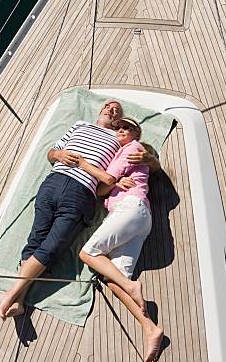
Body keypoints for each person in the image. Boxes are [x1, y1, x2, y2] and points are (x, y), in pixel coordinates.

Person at [0, 100, 158, 319]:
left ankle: (11, 295)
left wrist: (145, 160)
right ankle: (20, 301)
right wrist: (58, 155)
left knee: (53, 245)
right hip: (52, 182)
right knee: (35, 239)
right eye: (108, 107)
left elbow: (146, 161)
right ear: (100, 110)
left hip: (81, 191)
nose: (112, 110)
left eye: (117, 112)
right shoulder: (80, 125)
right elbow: (52, 152)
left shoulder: (119, 141)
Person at [77, 116, 164, 362]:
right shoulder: (123, 154)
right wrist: (111, 184)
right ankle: (151, 329)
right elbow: (105, 187)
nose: (121, 130)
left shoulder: (132, 148)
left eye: (127, 127)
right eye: (119, 128)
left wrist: (110, 182)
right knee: (113, 280)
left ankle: (133, 287)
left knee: (88, 253)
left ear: (137, 133)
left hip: (130, 208)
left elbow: (103, 184)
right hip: (139, 220)